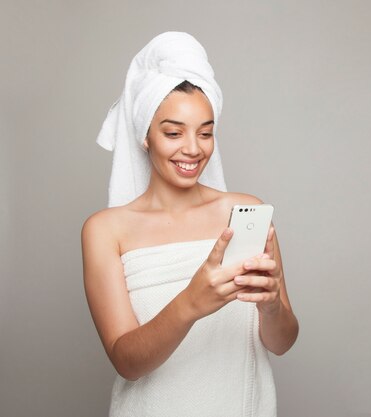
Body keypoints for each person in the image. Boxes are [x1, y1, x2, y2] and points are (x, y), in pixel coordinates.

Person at [81, 32, 298, 417]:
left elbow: (281, 342)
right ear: (145, 136)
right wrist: (190, 303)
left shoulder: (245, 211)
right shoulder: (106, 231)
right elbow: (127, 363)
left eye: (206, 132)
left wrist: (270, 307)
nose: (193, 149)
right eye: (173, 132)